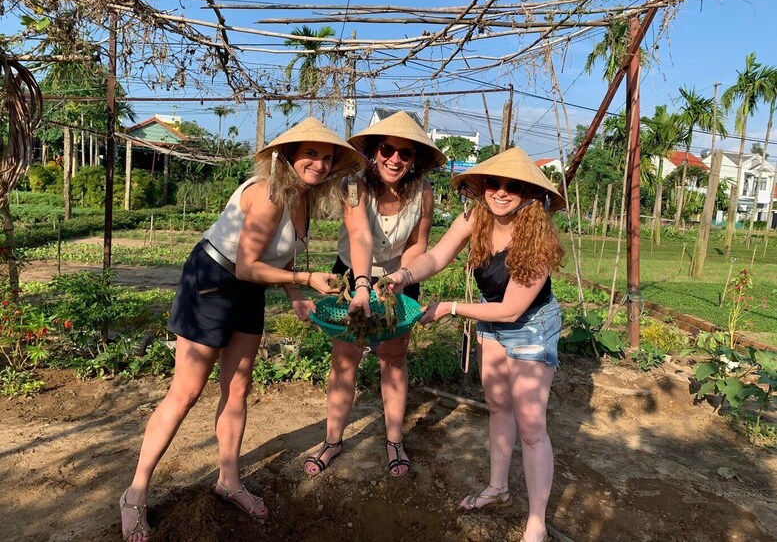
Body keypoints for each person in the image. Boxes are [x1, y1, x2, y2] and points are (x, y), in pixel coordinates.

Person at [119, 117, 362, 542]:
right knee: (187, 391)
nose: (320, 165)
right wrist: (305, 282)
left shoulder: (302, 199)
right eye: (311, 154)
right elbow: (249, 263)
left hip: (249, 287)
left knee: (238, 386)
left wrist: (293, 297)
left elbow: (278, 254)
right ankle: (135, 492)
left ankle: (228, 480)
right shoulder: (267, 195)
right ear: (287, 155)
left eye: (327, 158)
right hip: (212, 279)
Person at [384, 146, 565, 542]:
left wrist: (449, 307)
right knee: (498, 405)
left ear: (530, 193)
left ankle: (536, 522)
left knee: (532, 424)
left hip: (530, 325)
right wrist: (404, 274)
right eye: (493, 183)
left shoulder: (538, 237)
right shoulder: (475, 217)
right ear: (481, 186)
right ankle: (498, 488)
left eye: (513, 186)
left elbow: (513, 310)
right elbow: (436, 256)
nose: (501, 192)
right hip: (490, 316)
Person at [303, 111, 446, 478]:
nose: (394, 158)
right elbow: (359, 236)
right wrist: (365, 285)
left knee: (394, 357)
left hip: (398, 279)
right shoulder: (354, 185)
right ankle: (333, 440)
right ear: (373, 151)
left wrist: (398, 278)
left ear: (415, 159)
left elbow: (418, 244)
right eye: (387, 148)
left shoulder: (423, 192)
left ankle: (394, 440)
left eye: (405, 153)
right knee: (345, 357)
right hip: (352, 275)